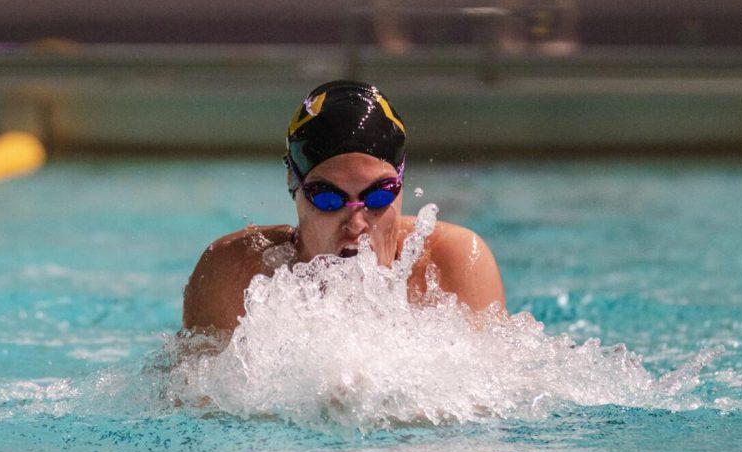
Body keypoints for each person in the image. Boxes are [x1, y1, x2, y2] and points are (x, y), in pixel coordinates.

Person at [182, 80, 506, 333]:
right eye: (328, 198)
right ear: (293, 187)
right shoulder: (232, 277)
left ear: (402, 185)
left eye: (379, 195)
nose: (356, 224)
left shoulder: (455, 266)